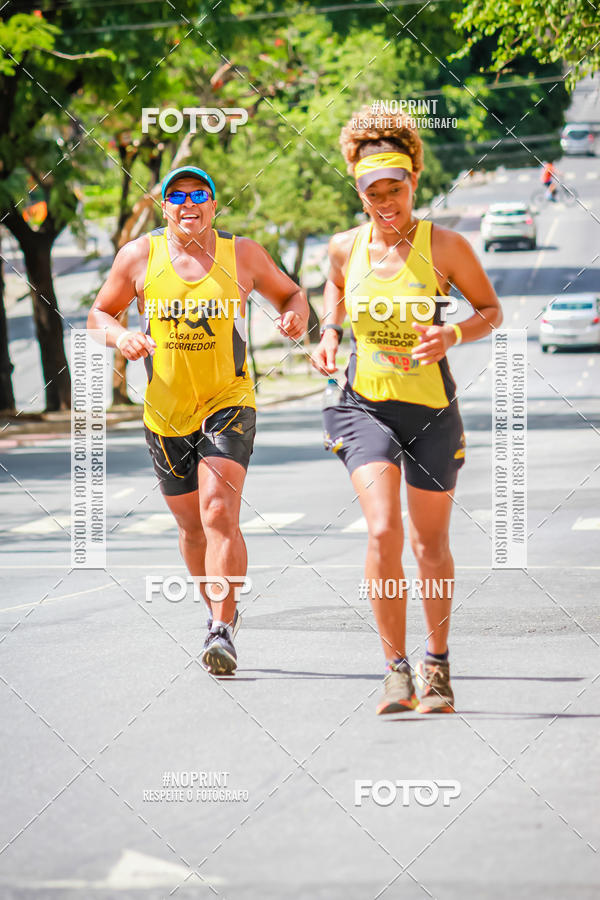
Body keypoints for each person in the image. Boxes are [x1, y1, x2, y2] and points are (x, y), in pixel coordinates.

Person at [312, 109, 503, 715]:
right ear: (360, 191)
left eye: (395, 188)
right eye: (374, 191)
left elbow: (489, 311)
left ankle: (438, 667)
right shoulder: (345, 248)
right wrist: (329, 333)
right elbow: (334, 291)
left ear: (413, 182)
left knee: (429, 546)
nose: (386, 200)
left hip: (431, 410)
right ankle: (395, 669)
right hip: (363, 407)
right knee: (382, 530)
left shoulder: (445, 247)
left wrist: (452, 337)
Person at [89, 165, 308, 675]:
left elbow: (291, 294)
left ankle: (222, 630)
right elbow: (100, 313)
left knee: (217, 514)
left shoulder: (243, 254)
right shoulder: (139, 256)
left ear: (214, 203)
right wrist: (121, 337)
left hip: (228, 400)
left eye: (199, 194)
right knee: (191, 528)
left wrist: (295, 314)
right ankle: (215, 610)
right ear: (163, 205)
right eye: (177, 195)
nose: (189, 203)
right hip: (164, 412)